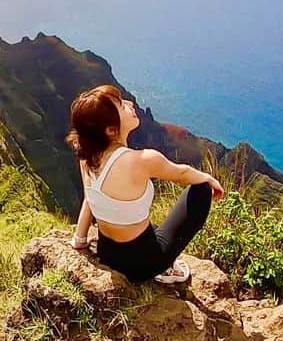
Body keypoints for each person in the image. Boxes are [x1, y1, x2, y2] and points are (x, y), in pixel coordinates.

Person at [65, 84, 225, 284]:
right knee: (200, 189)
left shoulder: (87, 159)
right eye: (122, 106)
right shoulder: (142, 160)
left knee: (148, 225)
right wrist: (209, 179)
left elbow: (90, 198)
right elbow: (182, 173)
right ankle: (166, 269)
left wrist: (80, 240)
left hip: (108, 254)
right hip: (145, 264)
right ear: (111, 130)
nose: (130, 104)